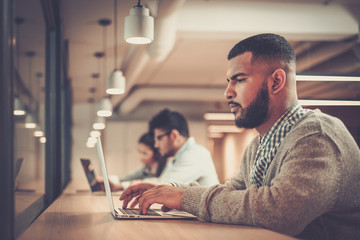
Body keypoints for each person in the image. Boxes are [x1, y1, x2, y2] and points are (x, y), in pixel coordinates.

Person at [120, 33, 360, 239]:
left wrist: (184, 197)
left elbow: (280, 212)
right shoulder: (259, 143)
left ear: (276, 81)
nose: (228, 92)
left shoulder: (316, 137)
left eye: (240, 80)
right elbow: (234, 192)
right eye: (228, 82)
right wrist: (168, 189)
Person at [143, 108, 219, 186]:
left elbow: (163, 186)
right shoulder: (178, 158)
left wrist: (135, 184)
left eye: (159, 138)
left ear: (174, 136)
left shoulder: (195, 154)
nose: (156, 145)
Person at [98, 132, 167, 191]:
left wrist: (121, 185)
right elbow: (126, 178)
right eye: (139, 152)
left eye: (144, 153)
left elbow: (156, 183)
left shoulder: (165, 167)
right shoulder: (145, 168)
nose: (140, 156)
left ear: (157, 152)